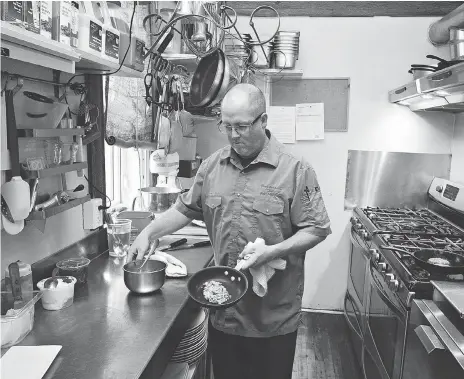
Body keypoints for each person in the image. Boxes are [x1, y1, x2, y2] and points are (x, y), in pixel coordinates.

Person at [128, 83, 331, 379]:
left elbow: (317, 229)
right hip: (224, 312)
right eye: (227, 126)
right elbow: (184, 210)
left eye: (243, 126)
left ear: (263, 120)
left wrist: (272, 252)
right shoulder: (212, 167)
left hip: (272, 317)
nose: (234, 135)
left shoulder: (296, 170)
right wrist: (149, 232)